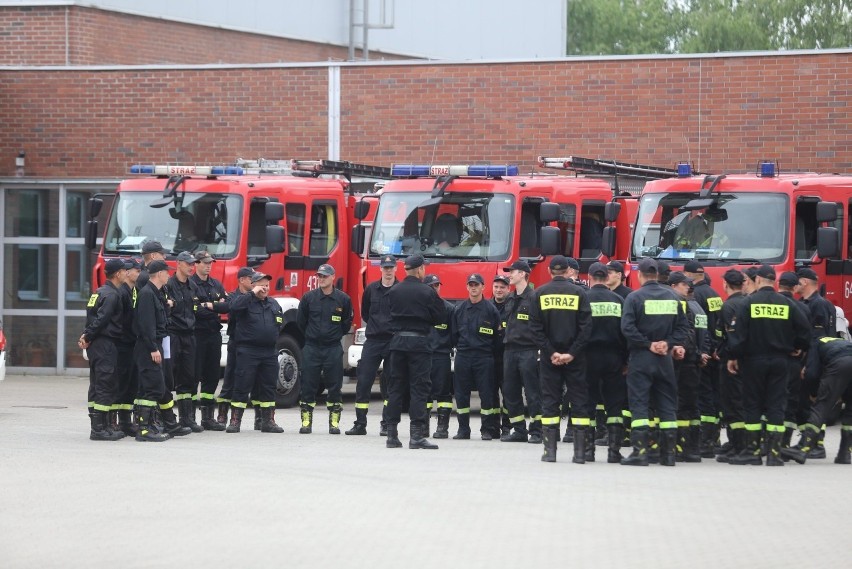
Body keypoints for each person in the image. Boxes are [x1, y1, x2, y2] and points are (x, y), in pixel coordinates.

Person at [726, 265, 811, 466]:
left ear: (757, 281)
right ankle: (774, 454)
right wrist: (798, 347)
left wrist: (733, 356)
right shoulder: (787, 304)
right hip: (781, 361)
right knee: (777, 404)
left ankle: (753, 452)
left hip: (754, 361)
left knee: (753, 404)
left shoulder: (748, 303)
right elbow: (805, 330)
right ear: (774, 282)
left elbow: (738, 335)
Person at [620, 258, 689, 467]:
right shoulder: (673, 297)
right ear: (658, 275)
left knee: (639, 404)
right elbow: (683, 328)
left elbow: (627, 329)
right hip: (664, 360)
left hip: (642, 358)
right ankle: (668, 455)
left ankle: (640, 453)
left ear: (640, 275)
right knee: (667, 405)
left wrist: (648, 344)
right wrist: (667, 344)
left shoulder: (634, 297)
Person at [529, 255, 593, 463]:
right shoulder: (580, 293)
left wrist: (551, 353)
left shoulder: (539, 294)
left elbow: (535, 329)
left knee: (550, 401)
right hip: (576, 359)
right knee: (579, 402)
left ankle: (550, 452)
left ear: (549, 272)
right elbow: (586, 329)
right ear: (567, 271)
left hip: (550, 359)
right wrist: (571, 353)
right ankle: (580, 454)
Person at [385, 254, 446, 449]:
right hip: (419, 344)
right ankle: (416, 435)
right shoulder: (427, 292)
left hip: (397, 343)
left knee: (395, 388)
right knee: (419, 388)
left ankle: (391, 435)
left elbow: (386, 316)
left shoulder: (393, 291)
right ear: (420, 270)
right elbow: (440, 317)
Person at [296, 263, 353, 434]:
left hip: (332, 348)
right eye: (319, 276)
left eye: (325, 276)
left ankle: (334, 422)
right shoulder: (308, 298)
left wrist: (332, 335)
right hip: (312, 347)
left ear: (333, 277)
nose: (321, 279)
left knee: (335, 386)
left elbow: (346, 324)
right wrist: (313, 335)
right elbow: (301, 322)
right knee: (308, 385)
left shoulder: (343, 299)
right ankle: (306, 422)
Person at [225, 272, 286, 433]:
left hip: (269, 352)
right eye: (261, 285)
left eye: (267, 285)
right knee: (242, 385)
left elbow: (279, 324)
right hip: (248, 351)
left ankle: (267, 421)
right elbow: (233, 307)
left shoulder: (273, 304)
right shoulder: (245, 301)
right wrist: (252, 293)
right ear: (253, 285)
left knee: (268, 387)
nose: (265, 288)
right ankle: (235, 421)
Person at [781, 334, 852, 465]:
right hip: (846, 357)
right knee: (850, 411)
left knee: (821, 406)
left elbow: (812, 374)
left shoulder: (814, 344)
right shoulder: (835, 341)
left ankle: (803, 448)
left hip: (840, 362)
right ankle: (845, 453)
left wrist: (814, 393)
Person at [346, 254, 397, 436]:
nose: (388, 271)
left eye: (391, 267)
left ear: (396, 269)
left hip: (392, 341)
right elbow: (366, 313)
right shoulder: (371, 290)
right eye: (385, 268)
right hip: (373, 341)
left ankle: (387, 424)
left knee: (391, 384)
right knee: (364, 381)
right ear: (380, 269)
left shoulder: (400, 290)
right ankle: (360, 423)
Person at [79, 258, 128, 441]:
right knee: (106, 384)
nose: (126, 273)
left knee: (97, 384)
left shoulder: (98, 292)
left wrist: (86, 335)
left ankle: (101, 426)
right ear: (117, 274)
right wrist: (88, 336)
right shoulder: (113, 295)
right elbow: (101, 319)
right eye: (124, 270)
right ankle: (99, 429)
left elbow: (90, 317)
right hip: (105, 344)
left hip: (96, 345)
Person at [584, 262, 628, 462]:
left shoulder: (583, 298)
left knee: (588, 404)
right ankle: (614, 451)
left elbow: (579, 330)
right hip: (614, 358)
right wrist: (626, 360)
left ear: (591, 277)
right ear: (606, 277)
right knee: (614, 405)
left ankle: (587, 451)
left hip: (588, 357)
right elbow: (626, 332)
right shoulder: (618, 300)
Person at [452, 273, 503, 440]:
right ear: (467, 287)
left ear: (483, 287)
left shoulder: (491, 310)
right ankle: (463, 429)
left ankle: (487, 429)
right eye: (470, 285)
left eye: (476, 285)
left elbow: (497, 338)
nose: (473, 288)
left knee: (486, 394)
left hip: (484, 357)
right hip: (464, 356)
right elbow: (454, 334)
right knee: (461, 394)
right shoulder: (459, 309)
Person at [668, 271, 710, 462]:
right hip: (695, 360)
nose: (688, 287)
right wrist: (703, 353)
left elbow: (688, 334)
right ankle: (692, 447)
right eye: (685, 284)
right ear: (674, 286)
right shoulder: (698, 307)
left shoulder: (684, 305)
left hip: (685, 361)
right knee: (691, 406)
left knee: (682, 405)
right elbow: (705, 334)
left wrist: (690, 352)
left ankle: (682, 446)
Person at [684, 260, 723, 458]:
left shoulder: (695, 297)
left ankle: (706, 440)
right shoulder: (715, 294)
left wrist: (703, 351)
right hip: (715, 351)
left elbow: (697, 327)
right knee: (714, 397)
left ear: (689, 275)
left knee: (703, 398)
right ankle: (714, 439)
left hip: (703, 353)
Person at [796, 267, 837, 458]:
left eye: (797, 281)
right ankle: (808, 440)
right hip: (809, 359)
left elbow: (817, 338)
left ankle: (816, 444)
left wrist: (809, 365)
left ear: (804, 282)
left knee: (811, 402)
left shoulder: (818, 304)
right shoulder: (807, 303)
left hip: (814, 360)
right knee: (804, 402)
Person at [500, 260, 541, 444]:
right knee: (510, 392)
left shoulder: (534, 297)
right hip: (510, 351)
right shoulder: (510, 298)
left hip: (528, 350)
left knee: (532, 392)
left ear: (524, 273)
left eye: (513, 271)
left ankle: (537, 431)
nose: (510, 274)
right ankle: (519, 430)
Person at [131, 259, 171, 442]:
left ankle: (147, 427)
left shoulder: (156, 293)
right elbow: (146, 325)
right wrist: (153, 348)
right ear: (159, 274)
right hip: (149, 347)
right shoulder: (147, 294)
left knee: (151, 386)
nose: (169, 275)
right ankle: (145, 431)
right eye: (166, 272)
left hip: (153, 345)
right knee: (152, 387)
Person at [164, 250, 202, 432]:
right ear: (178, 263)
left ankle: (187, 419)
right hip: (172, 335)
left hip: (189, 336)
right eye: (188, 264)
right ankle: (166, 419)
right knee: (168, 376)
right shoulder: (168, 285)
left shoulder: (193, 286)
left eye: (193, 264)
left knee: (189, 377)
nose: (191, 267)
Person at [191, 250, 228, 431]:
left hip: (214, 334)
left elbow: (227, 305)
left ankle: (207, 417)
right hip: (197, 335)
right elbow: (195, 310)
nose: (208, 266)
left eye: (210, 263)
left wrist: (209, 306)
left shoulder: (216, 284)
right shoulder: (190, 284)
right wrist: (214, 307)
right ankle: (189, 417)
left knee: (212, 376)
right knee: (193, 375)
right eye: (204, 262)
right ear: (195, 264)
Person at [714, 269, 749, 463]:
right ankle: (737, 444)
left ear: (726, 285)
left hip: (731, 362)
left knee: (732, 404)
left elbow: (725, 336)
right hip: (748, 361)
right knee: (742, 402)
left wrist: (722, 353)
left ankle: (738, 445)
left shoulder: (728, 306)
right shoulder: (748, 302)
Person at [216, 267, 255, 426]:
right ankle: (222, 416)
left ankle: (259, 419)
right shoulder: (232, 296)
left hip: (251, 345)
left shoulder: (257, 296)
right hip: (236, 343)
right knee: (230, 380)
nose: (254, 282)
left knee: (252, 380)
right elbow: (232, 307)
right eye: (251, 279)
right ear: (242, 280)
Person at [777, 271, 811, 450]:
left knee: (771, 401)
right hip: (793, 361)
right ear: (794, 287)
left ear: (778, 284)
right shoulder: (802, 308)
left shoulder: (769, 303)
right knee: (790, 402)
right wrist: (798, 349)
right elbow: (807, 335)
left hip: (772, 357)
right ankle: (784, 443)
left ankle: (766, 443)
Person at [111, 257, 141, 437]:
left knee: (131, 384)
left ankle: (125, 421)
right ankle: (115, 422)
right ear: (127, 272)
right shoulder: (121, 293)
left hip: (132, 344)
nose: (138, 273)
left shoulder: (134, 291)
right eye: (136, 270)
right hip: (122, 344)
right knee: (120, 383)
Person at [423, 274, 454, 438]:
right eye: (431, 286)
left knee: (443, 393)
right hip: (423, 356)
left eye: (436, 286)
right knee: (423, 392)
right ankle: (423, 427)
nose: (434, 289)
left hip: (441, 355)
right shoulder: (419, 308)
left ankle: (442, 428)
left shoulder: (448, 308)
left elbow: (454, 334)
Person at [491, 273, 512, 436]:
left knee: (508, 394)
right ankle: (493, 427)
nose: (499, 290)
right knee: (491, 394)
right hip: (490, 357)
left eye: (502, 287)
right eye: (496, 287)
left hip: (507, 357)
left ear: (508, 288)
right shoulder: (486, 307)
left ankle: (506, 427)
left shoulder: (512, 306)